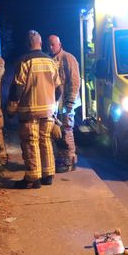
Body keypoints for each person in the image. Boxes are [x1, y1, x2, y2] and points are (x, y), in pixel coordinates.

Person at [7, 30, 61, 189]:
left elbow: (16, 89)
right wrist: (51, 104)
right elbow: (58, 89)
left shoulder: (24, 62)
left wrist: (11, 110)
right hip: (48, 112)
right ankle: (48, 174)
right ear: (41, 43)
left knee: (31, 143)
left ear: (27, 43)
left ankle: (32, 178)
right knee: (45, 141)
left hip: (29, 111)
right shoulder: (51, 62)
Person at [47, 34, 81, 172]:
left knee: (66, 129)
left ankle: (70, 161)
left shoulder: (68, 58)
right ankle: (63, 159)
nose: (50, 47)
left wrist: (70, 103)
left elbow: (75, 81)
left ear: (59, 44)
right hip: (57, 103)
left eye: (53, 45)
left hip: (66, 103)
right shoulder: (50, 59)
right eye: (48, 45)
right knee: (58, 132)